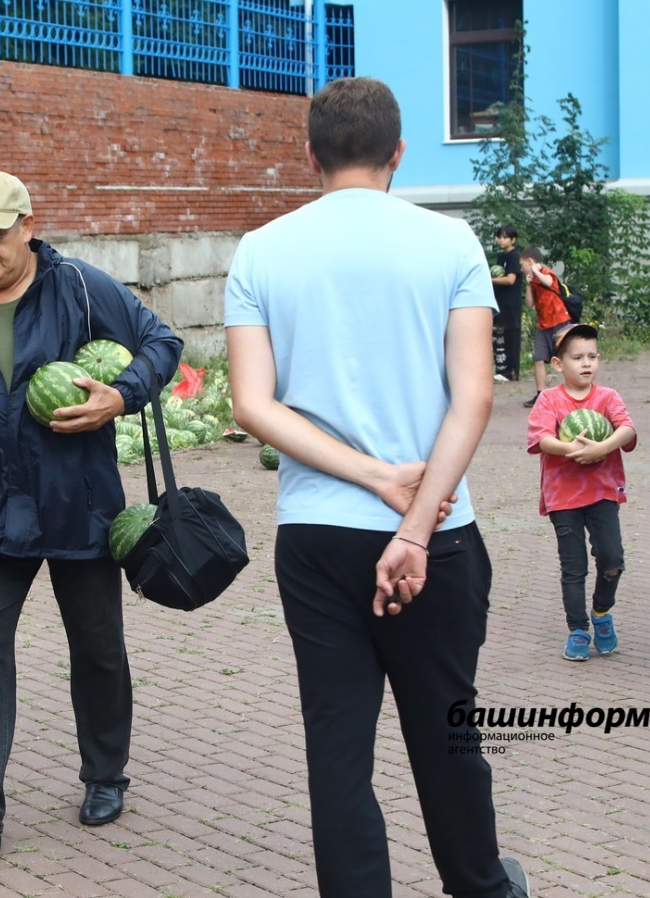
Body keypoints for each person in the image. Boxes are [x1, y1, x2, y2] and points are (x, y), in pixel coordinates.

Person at [224, 76, 529, 898]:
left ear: (310, 152)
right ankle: (483, 886)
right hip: (436, 534)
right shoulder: (452, 243)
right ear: (399, 152)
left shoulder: (260, 249)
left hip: (318, 533)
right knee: (446, 730)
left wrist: (366, 476)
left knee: (338, 748)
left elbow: (251, 404)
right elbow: (475, 396)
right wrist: (416, 525)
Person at [0, 170, 182, 851]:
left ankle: (106, 771)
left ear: (27, 225)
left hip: (76, 500)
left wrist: (121, 395)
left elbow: (161, 344)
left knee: (98, 646)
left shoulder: (79, 286)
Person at [526, 324, 638, 661]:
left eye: (591, 356)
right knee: (573, 568)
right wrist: (570, 448)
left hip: (603, 493)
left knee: (612, 559)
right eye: (577, 357)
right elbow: (541, 440)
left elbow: (628, 430)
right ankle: (578, 629)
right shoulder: (549, 399)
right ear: (559, 364)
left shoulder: (608, 397)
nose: (586, 363)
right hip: (563, 498)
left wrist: (601, 447)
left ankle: (601, 613)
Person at [519, 247, 575, 407]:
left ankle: (572, 390)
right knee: (538, 358)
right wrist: (529, 285)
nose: (522, 269)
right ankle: (540, 394)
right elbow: (529, 305)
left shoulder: (546, 272)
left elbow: (549, 282)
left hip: (559, 322)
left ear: (530, 262)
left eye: (523, 265)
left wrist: (537, 272)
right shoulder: (533, 280)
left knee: (566, 358)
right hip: (543, 325)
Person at [491, 226, 522, 382]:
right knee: (499, 335)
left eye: (504, 237)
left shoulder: (514, 256)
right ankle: (501, 369)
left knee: (511, 335)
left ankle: (511, 371)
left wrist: (489, 280)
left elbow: (511, 279)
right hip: (500, 302)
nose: (500, 239)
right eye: (499, 237)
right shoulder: (501, 257)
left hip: (511, 303)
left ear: (513, 240)